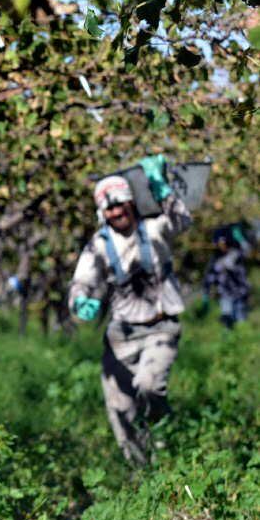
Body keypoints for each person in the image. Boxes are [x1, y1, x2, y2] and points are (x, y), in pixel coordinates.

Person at [68, 157, 192, 465]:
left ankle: (164, 436)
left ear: (132, 203)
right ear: (102, 212)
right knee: (120, 408)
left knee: (148, 385)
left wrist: (161, 188)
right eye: (109, 207)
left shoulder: (154, 230)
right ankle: (140, 471)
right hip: (121, 335)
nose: (117, 211)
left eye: (121, 203)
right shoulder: (97, 245)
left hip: (160, 328)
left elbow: (181, 221)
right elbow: (81, 281)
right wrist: (80, 301)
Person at [202, 227, 250, 328]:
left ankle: (243, 340)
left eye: (223, 243)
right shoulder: (215, 259)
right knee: (227, 320)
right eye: (219, 243)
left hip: (240, 293)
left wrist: (241, 240)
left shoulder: (236, 253)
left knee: (241, 321)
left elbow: (247, 251)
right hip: (225, 294)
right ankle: (229, 341)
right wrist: (205, 294)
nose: (221, 245)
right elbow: (209, 277)